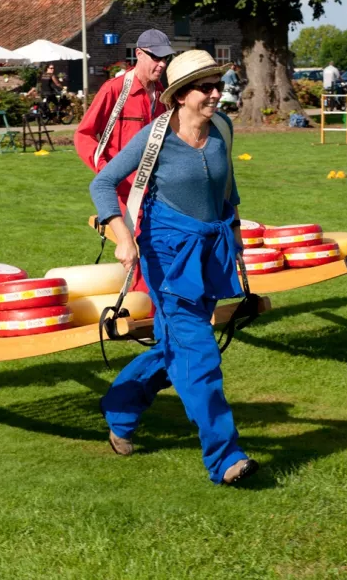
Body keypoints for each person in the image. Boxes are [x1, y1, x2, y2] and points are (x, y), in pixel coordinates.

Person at [89, 50, 258, 486]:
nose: (217, 93)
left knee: (175, 348)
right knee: (200, 355)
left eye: (218, 84)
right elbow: (102, 182)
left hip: (211, 250)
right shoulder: (153, 138)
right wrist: (123, 237)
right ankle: (225, 457)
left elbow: (227, 188)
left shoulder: (222, 128)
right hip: (167, 255)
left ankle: (121, 408)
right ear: (181, 96)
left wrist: (236, 235)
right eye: (207, 87)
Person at [74, 28, 174, 294]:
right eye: (156, 57)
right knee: (139, 249)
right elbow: (84, 135)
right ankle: (145, 313)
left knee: (161, 248)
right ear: (138, 54)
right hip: (124, 192)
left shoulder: (164, 94)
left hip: (156, 190)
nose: (162, 64)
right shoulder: (114, 89)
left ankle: (156, 312)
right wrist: (107, 172)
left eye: (166, 58)